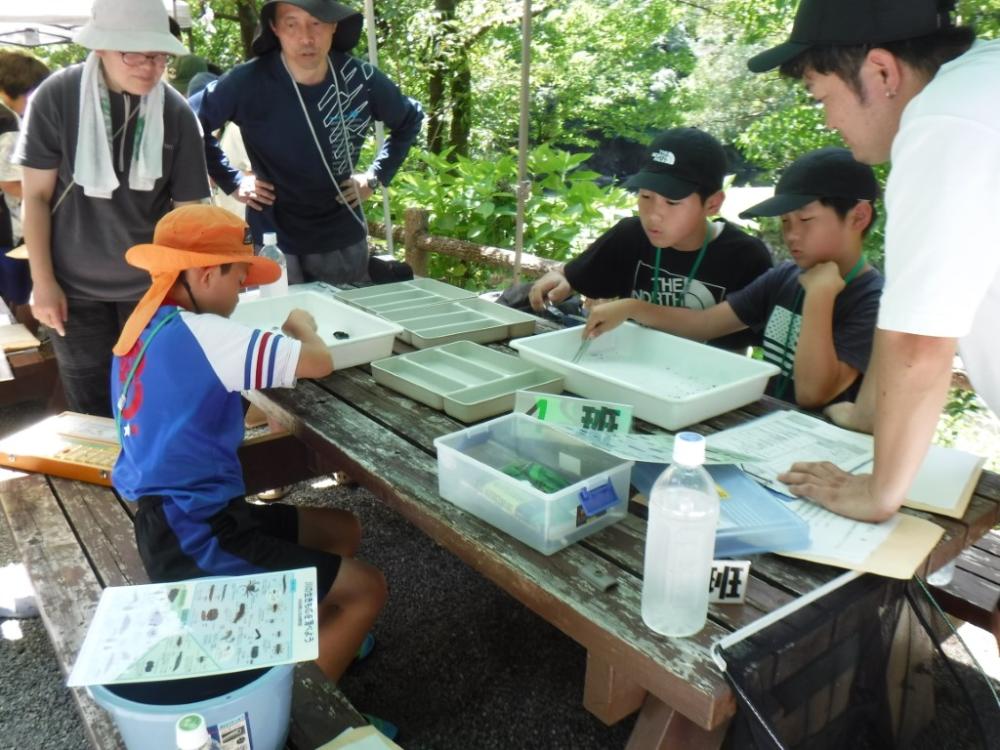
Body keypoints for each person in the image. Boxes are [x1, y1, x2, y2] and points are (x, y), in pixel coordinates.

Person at [111, 204, 387, 683]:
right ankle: (306, 710)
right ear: (204, 272)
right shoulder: (209, 333)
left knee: (342, 529)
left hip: (179, 515)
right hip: (195, 533)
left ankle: (315, 648)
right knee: (368, 589)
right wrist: (302, 325)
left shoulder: (147, 325)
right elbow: (318, 362)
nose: (242, 293)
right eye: (239, 279)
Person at [746, 0, 999, 521]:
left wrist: (878, 491)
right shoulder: (980, 86)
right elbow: (919, 304)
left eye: (823, 98)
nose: (828, 121)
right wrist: (867, 413)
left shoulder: (944, 119)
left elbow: (919, 342)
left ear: (881, 71)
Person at [13, 0, 211, 417]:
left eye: (157, 55)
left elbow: (189, 212)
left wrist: (191, 290)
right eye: (133, 53)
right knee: (91, 406)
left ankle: (151, 483)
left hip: (152, 291)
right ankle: (105, 485)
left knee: (154, 402)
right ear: (100, 47)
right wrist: (42, 281)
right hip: (72, 289)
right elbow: (36, 197)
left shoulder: (176, 113)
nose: (148, 66)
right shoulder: (57, 97)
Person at [584, 147, 883, 410]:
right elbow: (706, 323)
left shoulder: (873, 300)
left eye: (805, 220)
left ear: (858, 217)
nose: (791, 235)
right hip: (766, 425)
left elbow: (812, 394)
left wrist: (819, 297)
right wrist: (631, 308)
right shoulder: (785, 278)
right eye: (784, 221)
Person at [191, 0, 424, 284]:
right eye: (292, 24)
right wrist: (232, 181)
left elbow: (410, 119)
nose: (306, 37)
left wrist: (375, 177)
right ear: (275, 28)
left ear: (334, 25)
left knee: (346, 325)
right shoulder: (247, 81)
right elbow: (190, 123)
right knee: (279, 324)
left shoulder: (360, 79)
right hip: (272, 242)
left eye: (317, 22)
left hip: (341, 240)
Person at [528, 127, 773, 351]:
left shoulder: (744, 256)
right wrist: (562, 278)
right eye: (645, 196)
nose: (654, 215)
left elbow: (719, 326)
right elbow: (577, 275)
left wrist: (633, 308)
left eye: (672, 202)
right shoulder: (630, 235)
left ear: (712, 203)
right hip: (634, 366)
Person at [0, 50, 49, 325]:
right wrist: (44, 197)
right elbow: (8, 180)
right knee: (20, 294)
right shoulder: (8, 122)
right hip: (7, 232)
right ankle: (26, 345)